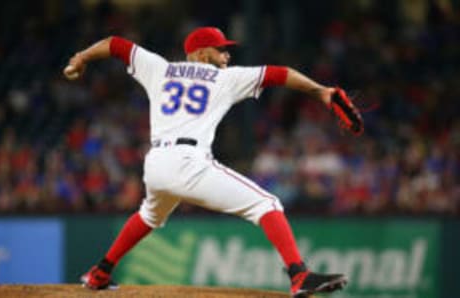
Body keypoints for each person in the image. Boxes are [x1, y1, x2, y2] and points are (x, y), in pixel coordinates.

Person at [65, 27, 348, 298]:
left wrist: (81, 57)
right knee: (267, 204)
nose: (227, 56)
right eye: (221, 50)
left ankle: (99, 273)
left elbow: (115, 44)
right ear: (200, 54)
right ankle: (298, 275)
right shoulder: (225, 78)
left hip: (156, 163)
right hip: (189, 162)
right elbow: (280, 74)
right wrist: (320, 90)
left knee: (150, 215)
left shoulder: (159, 68)